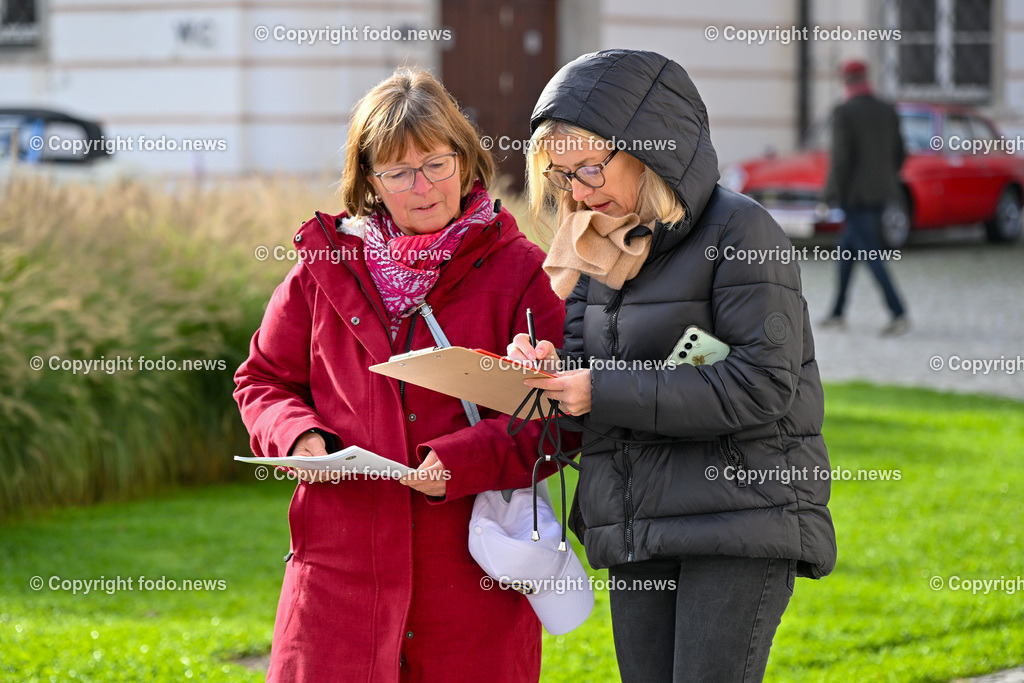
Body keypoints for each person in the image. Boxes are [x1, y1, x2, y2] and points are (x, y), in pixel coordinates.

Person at [508, 49, 837, 682]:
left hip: (740, 518)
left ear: (651, 149)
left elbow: (761, 385)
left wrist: (597, 389)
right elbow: (587, 385)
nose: (577, 191)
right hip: (636, 525)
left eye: (591, 168)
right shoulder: (593, 244)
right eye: (562, 175)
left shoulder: (745, 232)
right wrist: (549, 372)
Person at [233, 68, 567, 682]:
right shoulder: (323, 268)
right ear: (369, 183)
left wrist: (461, 461)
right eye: (398, 172)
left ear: (466, 162)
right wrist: (300, 438)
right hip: (337, 585)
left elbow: (560, 415)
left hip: (470, 587)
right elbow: (262, 379)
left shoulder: (522, 271)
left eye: (437, 164)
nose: (424, 187)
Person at [822, 58, 910, 336]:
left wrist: (829, 194)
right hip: (882, 192)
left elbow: (841, 160)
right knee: (847, 250)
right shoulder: (887, 109)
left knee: (871, 253)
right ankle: (837, 313)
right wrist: (884, 178)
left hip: (854, 197)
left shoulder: (844, 112)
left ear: (845, 81)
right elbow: (901, 152)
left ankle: (898, 312)